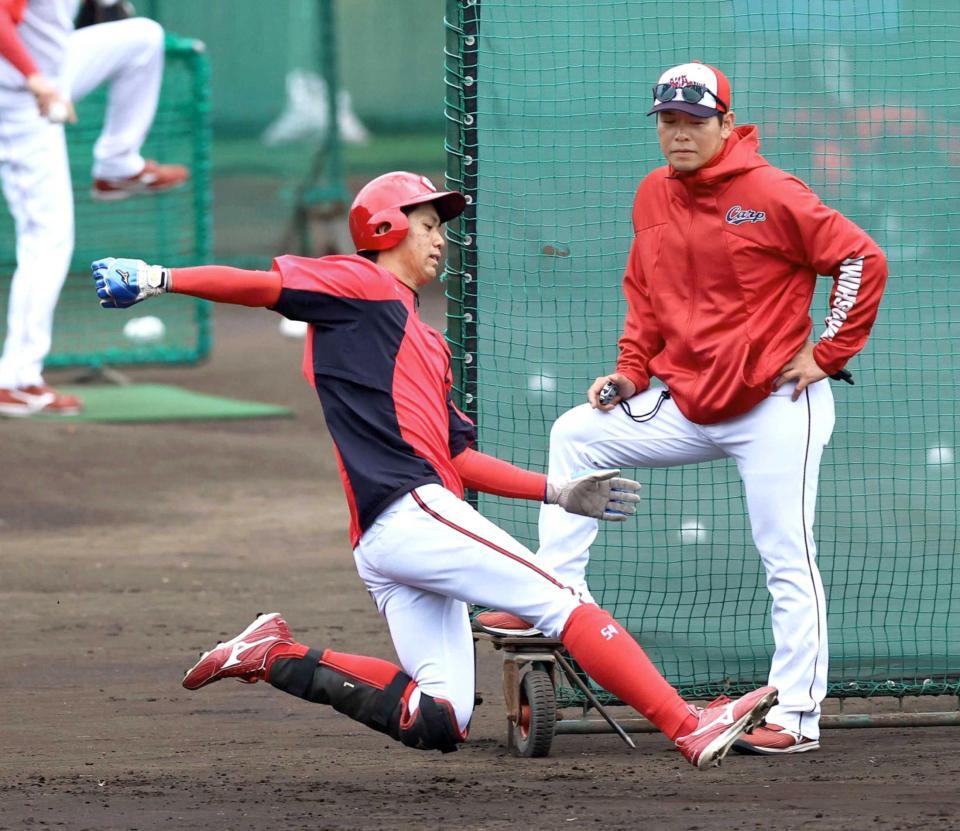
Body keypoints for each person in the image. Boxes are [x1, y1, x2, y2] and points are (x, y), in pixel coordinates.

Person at [91, 170, 777, 768]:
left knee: (439, 716)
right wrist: (161, 279)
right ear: (386, 226)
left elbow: (456, 457)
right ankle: (689, 725)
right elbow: (265, 286)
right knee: (562, 600)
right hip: (409, 510)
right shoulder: (359, 282)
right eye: (426, 223)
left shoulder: (422, 338)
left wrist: (560, 490)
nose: (439, 237)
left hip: (394, 535)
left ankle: (272, 653)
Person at [476, 62, 888, 755]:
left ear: (727, 123)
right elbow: (645, 291)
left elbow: (860, 259)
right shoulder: (652, 195)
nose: (679, 133)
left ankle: (798, 715)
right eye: (668, 120)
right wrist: (632, 371)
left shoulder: (771, 191)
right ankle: (554, 594)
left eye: (694, 120)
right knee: (577, 433)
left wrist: (829, 352)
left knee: (787, 555)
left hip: (776, 403)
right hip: (689, 398)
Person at [0, 0, 188, 417]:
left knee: (142, 37)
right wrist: (34, 78)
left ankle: (118, 165)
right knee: (46, 240)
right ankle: (16, 380)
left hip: (52, 68)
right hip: (18, 97)